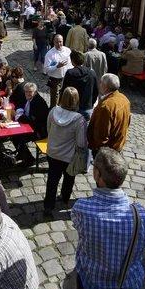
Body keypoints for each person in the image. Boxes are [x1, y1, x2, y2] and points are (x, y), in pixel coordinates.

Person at [72, 148, 145, 289]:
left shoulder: (82, 208)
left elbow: (79, 229)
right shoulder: (140, 214)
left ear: (97, 175)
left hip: (92, 285)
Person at [45, 87, 87, 216]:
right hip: (69, 156)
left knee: (52, 180)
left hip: (53, 153)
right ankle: (64, 198)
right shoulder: (79, 119)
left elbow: (48, 129)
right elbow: (81, 142)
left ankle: (48, 205)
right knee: (69, 178)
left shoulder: (53, 111)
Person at [87, 74, 131, 152]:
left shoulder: (106, 107)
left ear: (105, 87)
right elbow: (128, 122)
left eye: (100, 83)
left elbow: (101, 133)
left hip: (107, 150)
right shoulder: (124, 99)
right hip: (118, 143)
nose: (99, 84)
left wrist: (98, 149)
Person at [13, 82, 50, 165]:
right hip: (28, 125)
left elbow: (33, 120)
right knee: (14, 136)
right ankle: (22, 153)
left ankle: (29, 159)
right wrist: (19, 111)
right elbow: (19, 104)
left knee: (20, 137)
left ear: (35, 92)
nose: (27, 93)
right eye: (26, 91)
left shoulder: (39, 102)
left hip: (39, 130)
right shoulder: (25, 96)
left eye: (30, 92)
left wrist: (19, 116)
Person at [62, 51, 99, 118]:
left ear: (72, 61)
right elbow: (96, 91)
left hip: (72, 107)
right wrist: (91, 104)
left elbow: (65, 90)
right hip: (87, 107)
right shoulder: (91, 72)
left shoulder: (70, 73)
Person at [44, 34, 73, 108]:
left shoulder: (67, 50)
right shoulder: (50, 54)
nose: (59, 44)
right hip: (55, 80)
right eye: (57, 42)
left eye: (60, 41)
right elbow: (46, 69)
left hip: (66, 78)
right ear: (53, 42)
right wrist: (56, 66)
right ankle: (53, 114)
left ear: (63, 41)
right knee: (54, 100)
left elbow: (71, 64)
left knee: (65, 97)